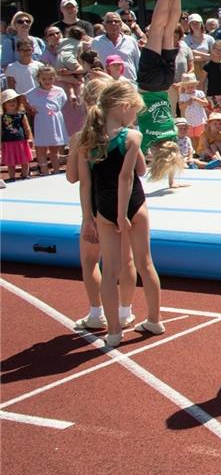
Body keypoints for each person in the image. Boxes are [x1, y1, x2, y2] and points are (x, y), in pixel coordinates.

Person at [77, 79, 164, 348]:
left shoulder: (87, 138)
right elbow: (130, 176)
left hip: (104, 208)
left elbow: (85, 183)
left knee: (110, 269)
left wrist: (89, 217)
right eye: (135, 111)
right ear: (124, 107)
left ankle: (114, 331)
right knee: (145, 262)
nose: (136, 116)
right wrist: (122, 214)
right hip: (133, 207)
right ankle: (154, 319)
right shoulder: (132, 136)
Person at [66, 78, 136, 331]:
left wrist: (87, 216)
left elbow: (74, 178)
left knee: (90, 260)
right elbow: (139, 170)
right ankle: (125, 311)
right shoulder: (127, 134)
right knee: (126, 260)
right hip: (124, 204)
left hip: (96, 206)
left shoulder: (82, 138)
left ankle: (97, 313)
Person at [135, 0, 189, 187]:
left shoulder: (171, 134)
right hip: (148, 85)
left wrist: (173, 183)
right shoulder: (145, 141)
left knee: (168, 31)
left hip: (165, 82)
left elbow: (171, 155)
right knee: (158, 29)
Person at [25, 65, 68, 175]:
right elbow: (24, 100)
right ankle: (44, 171)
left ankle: (56, 170)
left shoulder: (59, 91)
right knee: (41, 148)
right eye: (44, 79)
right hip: (41, 121)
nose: (47, 81)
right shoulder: (33, 92)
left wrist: (54, 111)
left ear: (54, 78)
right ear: (38, 79)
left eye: (50, 78)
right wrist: (31, 109)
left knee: (54, 148)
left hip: (54, 122)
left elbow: (62, 102)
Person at [1, 88, 33, 181]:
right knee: (10, 162)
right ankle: (12, 177)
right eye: (9, 101)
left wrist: (29, 138)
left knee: (24, 160)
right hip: (7, 142)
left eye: (14, 100)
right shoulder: (2, 117)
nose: (12, 103)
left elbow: (27, 127)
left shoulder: (21, 115)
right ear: (4, 104)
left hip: (21, 141)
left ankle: (25, 175)